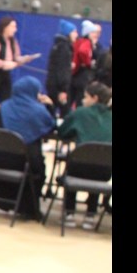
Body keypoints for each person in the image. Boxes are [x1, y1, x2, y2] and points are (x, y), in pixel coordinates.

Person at [0, 76, 55, 219]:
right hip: (22, 162)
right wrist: (49, 107)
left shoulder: (4, 106)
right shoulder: (39, 111)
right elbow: (50, 127)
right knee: (38, 168)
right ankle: (28, 208)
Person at [56, 82, 112, 229]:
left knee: (78, 162)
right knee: (98, 160)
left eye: (85, 97)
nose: (82, 100)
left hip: (78, 168)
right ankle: (90, 215)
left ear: (95, 98)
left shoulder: (80, 113)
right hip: (105, 172)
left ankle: (69, 213)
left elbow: (62, 132)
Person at [45, 19, 77, 118]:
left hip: (52, 84)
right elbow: (62, 70)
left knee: (51, 110)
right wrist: (63, 89)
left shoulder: (57, 46)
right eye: (74, 32)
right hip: (59, 86)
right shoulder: (64, 48)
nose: (76, 34)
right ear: (68, 33)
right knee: (65, 113)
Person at [70, 20, 101, 108]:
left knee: (71, 99)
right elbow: (83, 52)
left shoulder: (78, 41)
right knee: (80, 100)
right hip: (82, 76)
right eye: (93, 32)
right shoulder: (87, 42)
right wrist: (88, 63)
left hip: (74, 74)